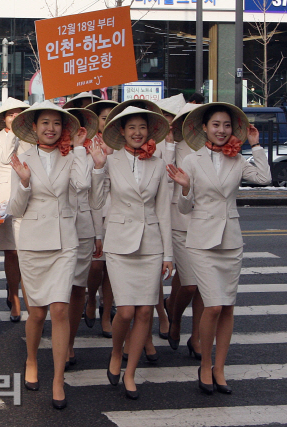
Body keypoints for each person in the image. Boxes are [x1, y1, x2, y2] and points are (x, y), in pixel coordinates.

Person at [168, 103, 271, 395]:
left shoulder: (236, 158)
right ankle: (204, 366)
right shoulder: (191, 160)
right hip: (201, 241)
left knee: (227, 307)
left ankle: (220, 368)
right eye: (216, 125)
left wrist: (256, 146)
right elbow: (184, 208)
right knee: (212, 305)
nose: (222, 130)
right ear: (204, 128)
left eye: (227, 125)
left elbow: (264, 179)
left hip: (230, 241)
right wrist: (185, 187)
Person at [9, 101, 90, 410]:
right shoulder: (22, 158)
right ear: (34, 127)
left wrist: (80, 149)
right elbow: (14, 209)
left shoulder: (72, 156)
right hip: (32, 242)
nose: (51, 128)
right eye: (45, 122)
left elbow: (82, 187)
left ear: (64, 128)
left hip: (65, 242)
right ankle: (31, 358)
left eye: (57, 123)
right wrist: (26, 183)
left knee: (59, 309)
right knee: (38, 313)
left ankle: (58, 378)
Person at [89, 105, 173, 400]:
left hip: (151, 245)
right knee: (125, 311)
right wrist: (98, 167)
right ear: (121, 132)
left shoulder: (159, 164)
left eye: (142, 128)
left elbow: (164, 211)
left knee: (145, 311)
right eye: (131, 128)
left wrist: (168, 255)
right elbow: (97, 200)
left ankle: (132, 373)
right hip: (120, 243)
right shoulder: (111, 162)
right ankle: (116, 352)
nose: (137, 133)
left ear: (150, 132)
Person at [63, 108, 104, 369]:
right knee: (60, 289)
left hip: (85, 228)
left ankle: (69, 342)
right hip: (57, 228)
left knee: (79, 286)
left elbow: (95, 199)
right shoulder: (49, 152)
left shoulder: (92, 153)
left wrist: (99, 233)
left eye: (80, 128)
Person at [163, 102, 204, 359]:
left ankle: (197, 336)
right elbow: (165, 176)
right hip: (180, 220)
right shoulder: (174, 145)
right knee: (189, 284)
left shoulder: (218, 147)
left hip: (209, 223)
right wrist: (167, 142)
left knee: (204, 287)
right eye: (189, 119)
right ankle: (175, 318)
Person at [0, 97, 30, 322]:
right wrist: (14, 133)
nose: (15, 119)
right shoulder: (1, 138)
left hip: (26, 197)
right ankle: (14, 296)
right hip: (3, 201)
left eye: (19, 115)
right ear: (3, 119)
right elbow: (5, 158)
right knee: (11, 252)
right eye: (10, 115)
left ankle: (28, 298)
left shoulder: (32, 137)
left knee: (25, 251)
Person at [84, 100, 118, 338]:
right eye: (104, 117)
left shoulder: (124, 144)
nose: (107, 121)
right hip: (94, 208)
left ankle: (107, 312)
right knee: (96, 265)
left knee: (112, 268)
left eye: (112, 117)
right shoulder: (87, 145)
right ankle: (91, 299)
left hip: (119, 211)